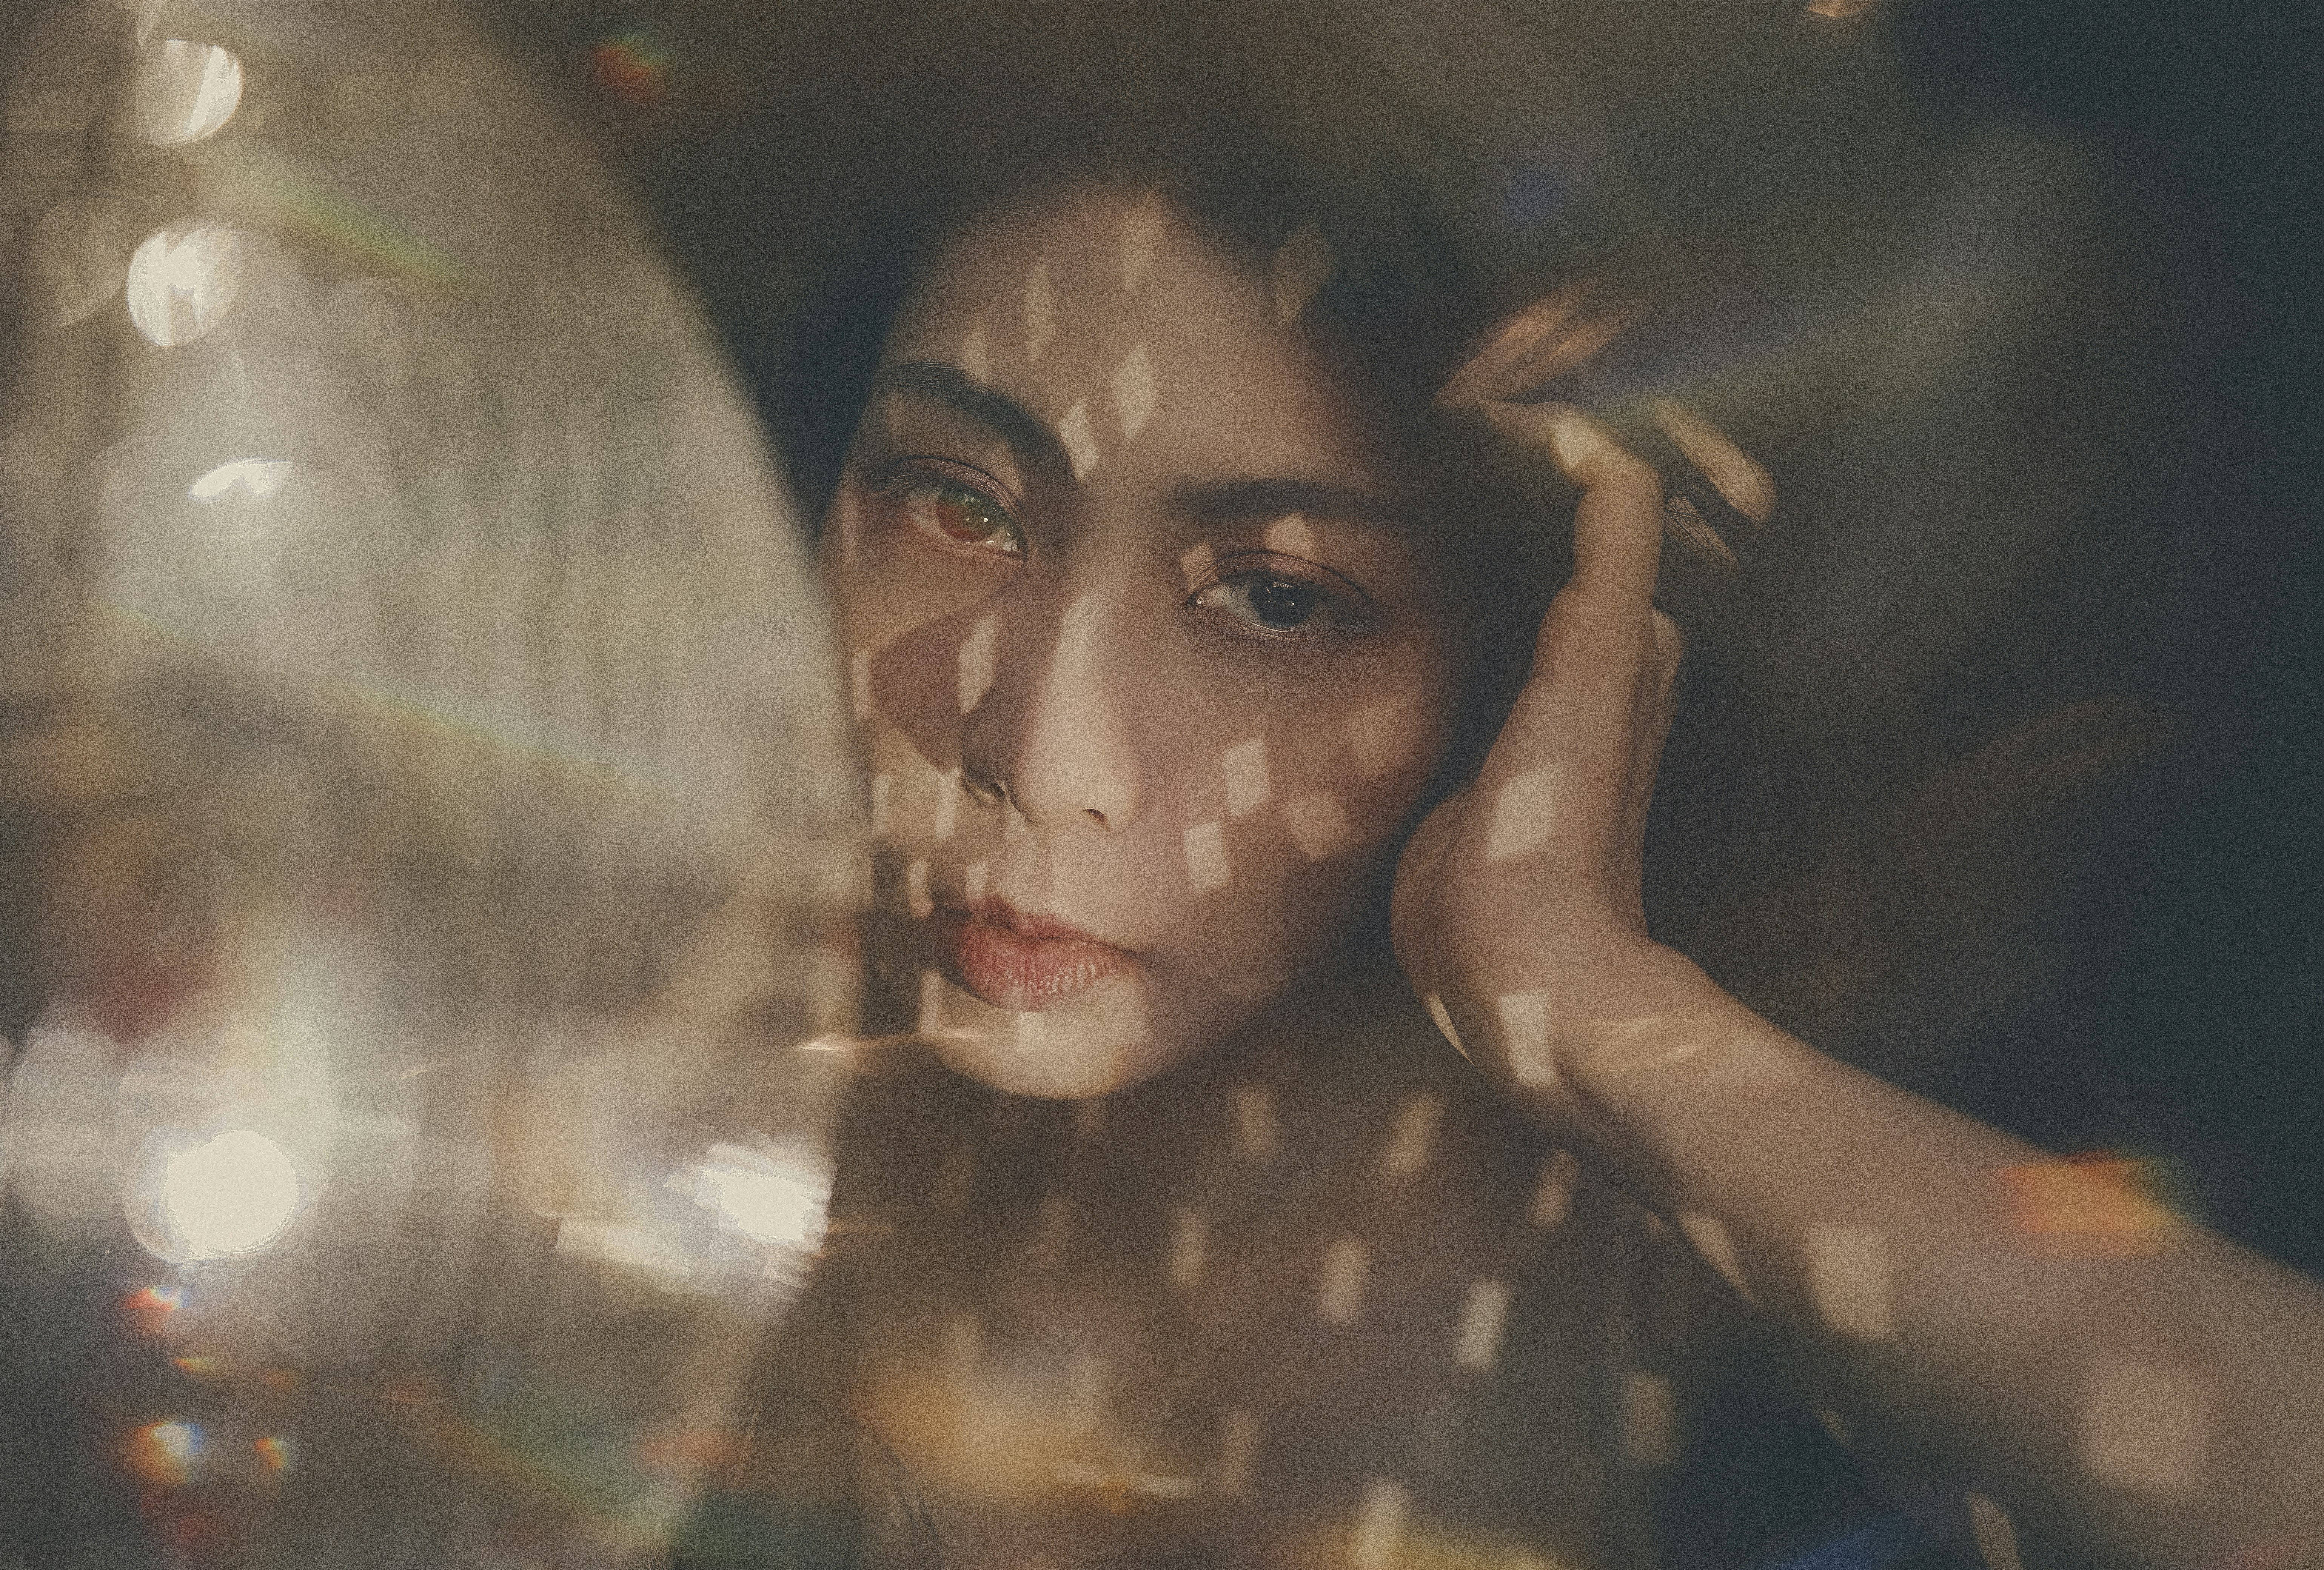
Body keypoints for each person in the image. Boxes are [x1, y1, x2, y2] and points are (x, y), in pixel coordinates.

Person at [702, 2, 2324, 1567]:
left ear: (1525, 656)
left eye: (1275, 594)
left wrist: (1614, 1026)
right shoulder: (645, 1116)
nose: (1047, 757)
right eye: (960, 505)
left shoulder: (1696, 1322)